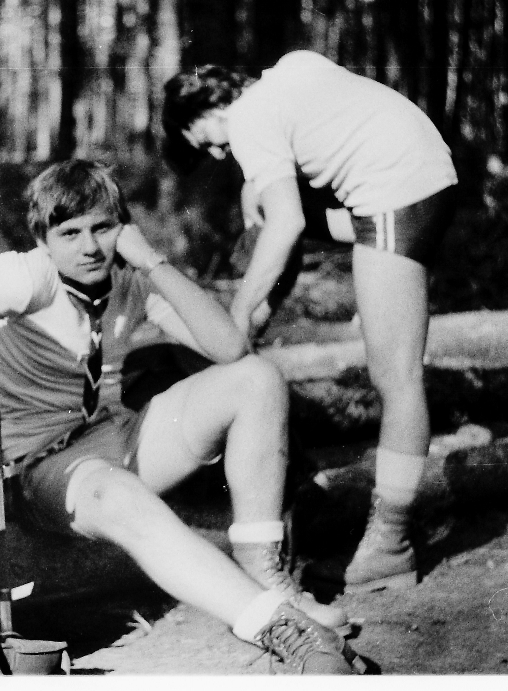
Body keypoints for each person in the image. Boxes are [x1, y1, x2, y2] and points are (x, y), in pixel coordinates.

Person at [0, 159, 366, 674]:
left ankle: (265, 574)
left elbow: (230, 347)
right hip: (45, 466)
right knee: (118, 493)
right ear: (43, 239)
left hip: (114, 436)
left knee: (256, 378)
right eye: (70, 233)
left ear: (123, 227)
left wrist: (152, 261)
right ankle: (278, 626)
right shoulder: (28, 275)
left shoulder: (130, 279)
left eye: (103, 227)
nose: (90, 247)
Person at [162, 51, 459, 593]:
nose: (218, 153)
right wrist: (254, 315)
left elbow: (287, 224)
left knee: (396, 377)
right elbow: (288, 222)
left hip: (397, 191)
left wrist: (234, 314)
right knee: (266, 206)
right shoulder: (287, 76)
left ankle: (390, 544)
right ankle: (248, 341)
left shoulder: (248, 118)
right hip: (425, 178)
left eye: (207, 141)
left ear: (211, 106)